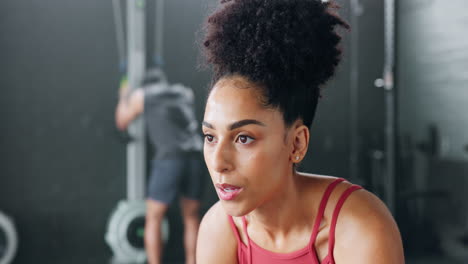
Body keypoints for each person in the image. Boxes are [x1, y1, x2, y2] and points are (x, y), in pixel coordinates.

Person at [196, 0, 405, 263]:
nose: (218, 162)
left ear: (296, 144)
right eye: (210, 137)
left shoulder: (360, 227)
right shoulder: (219, 229)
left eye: (243, 138)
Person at [115, 69, 204, 264]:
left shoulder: (143, 94)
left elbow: (122, 121)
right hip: (195, 158)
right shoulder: (184, 93)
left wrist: (123, 95)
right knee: (191, 217)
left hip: (170, 159)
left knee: (154, 217)